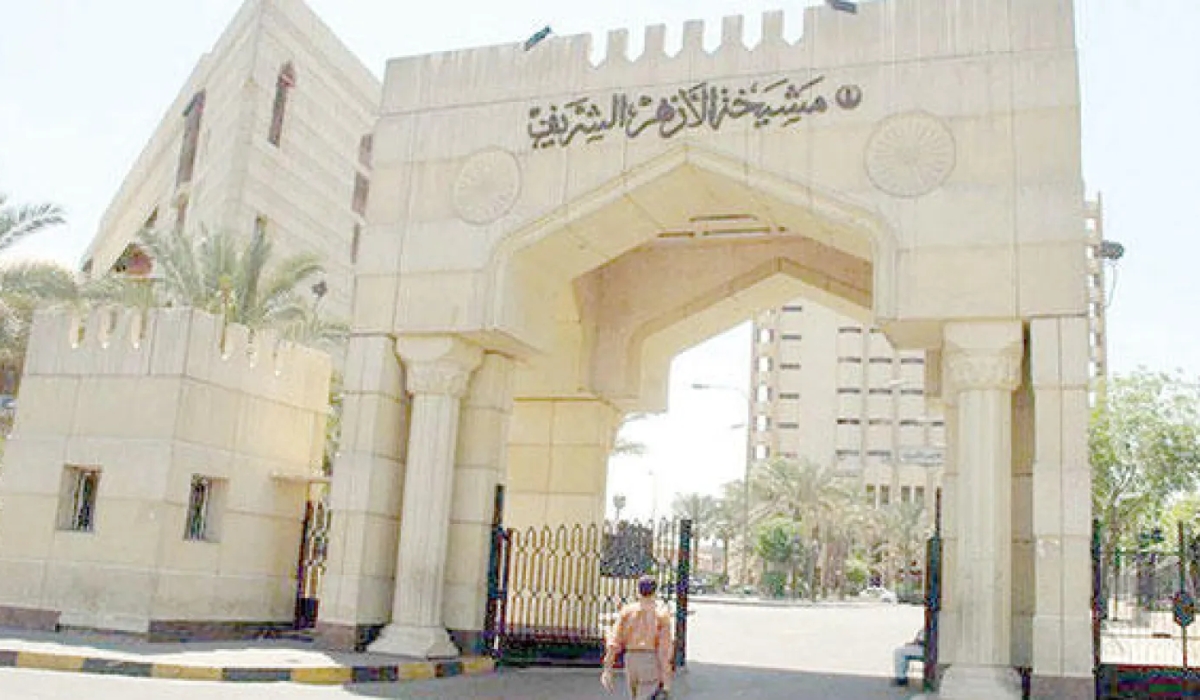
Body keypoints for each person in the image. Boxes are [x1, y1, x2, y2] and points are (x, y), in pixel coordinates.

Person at [601, 575, 674, 699]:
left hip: (631, 659)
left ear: (638, 590)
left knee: (634, 695)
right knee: (647, 694)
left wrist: (607, 669)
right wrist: (666, 680)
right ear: (655, 592)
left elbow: (614, 641)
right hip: (650, 659)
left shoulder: (627, 611)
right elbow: (664, 649)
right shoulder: (661, 614)